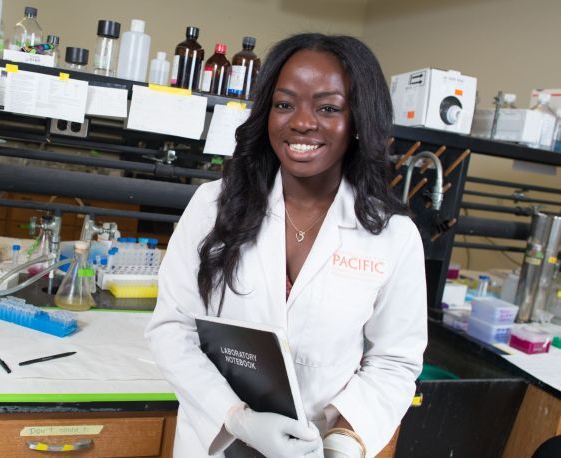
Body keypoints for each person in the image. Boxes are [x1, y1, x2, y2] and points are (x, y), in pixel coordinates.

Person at [145, 33, 428, 458]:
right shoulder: (212, 205)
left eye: (328, 108)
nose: (301, 122)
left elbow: (394, 361)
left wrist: (343, 443)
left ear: (358, 122)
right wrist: (238, 417)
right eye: (284, 104)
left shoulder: (393, 236)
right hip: (214, 441)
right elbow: (172, 329)